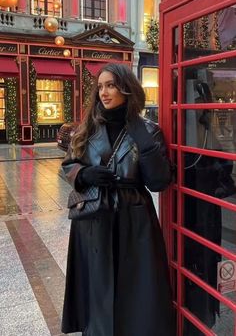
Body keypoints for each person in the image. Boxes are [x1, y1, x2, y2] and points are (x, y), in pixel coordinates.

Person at [61, 63, 175, 336]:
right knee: (98, 284)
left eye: (110, 85)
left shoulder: (147, 129)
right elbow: (67, 166)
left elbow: (159, 181)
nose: (104, 92)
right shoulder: (88, 127)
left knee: (137, 286)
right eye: (100, 86)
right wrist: (84, 173)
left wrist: (144, 141)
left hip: (134, 218)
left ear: (126, 87)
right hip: (94, 219)